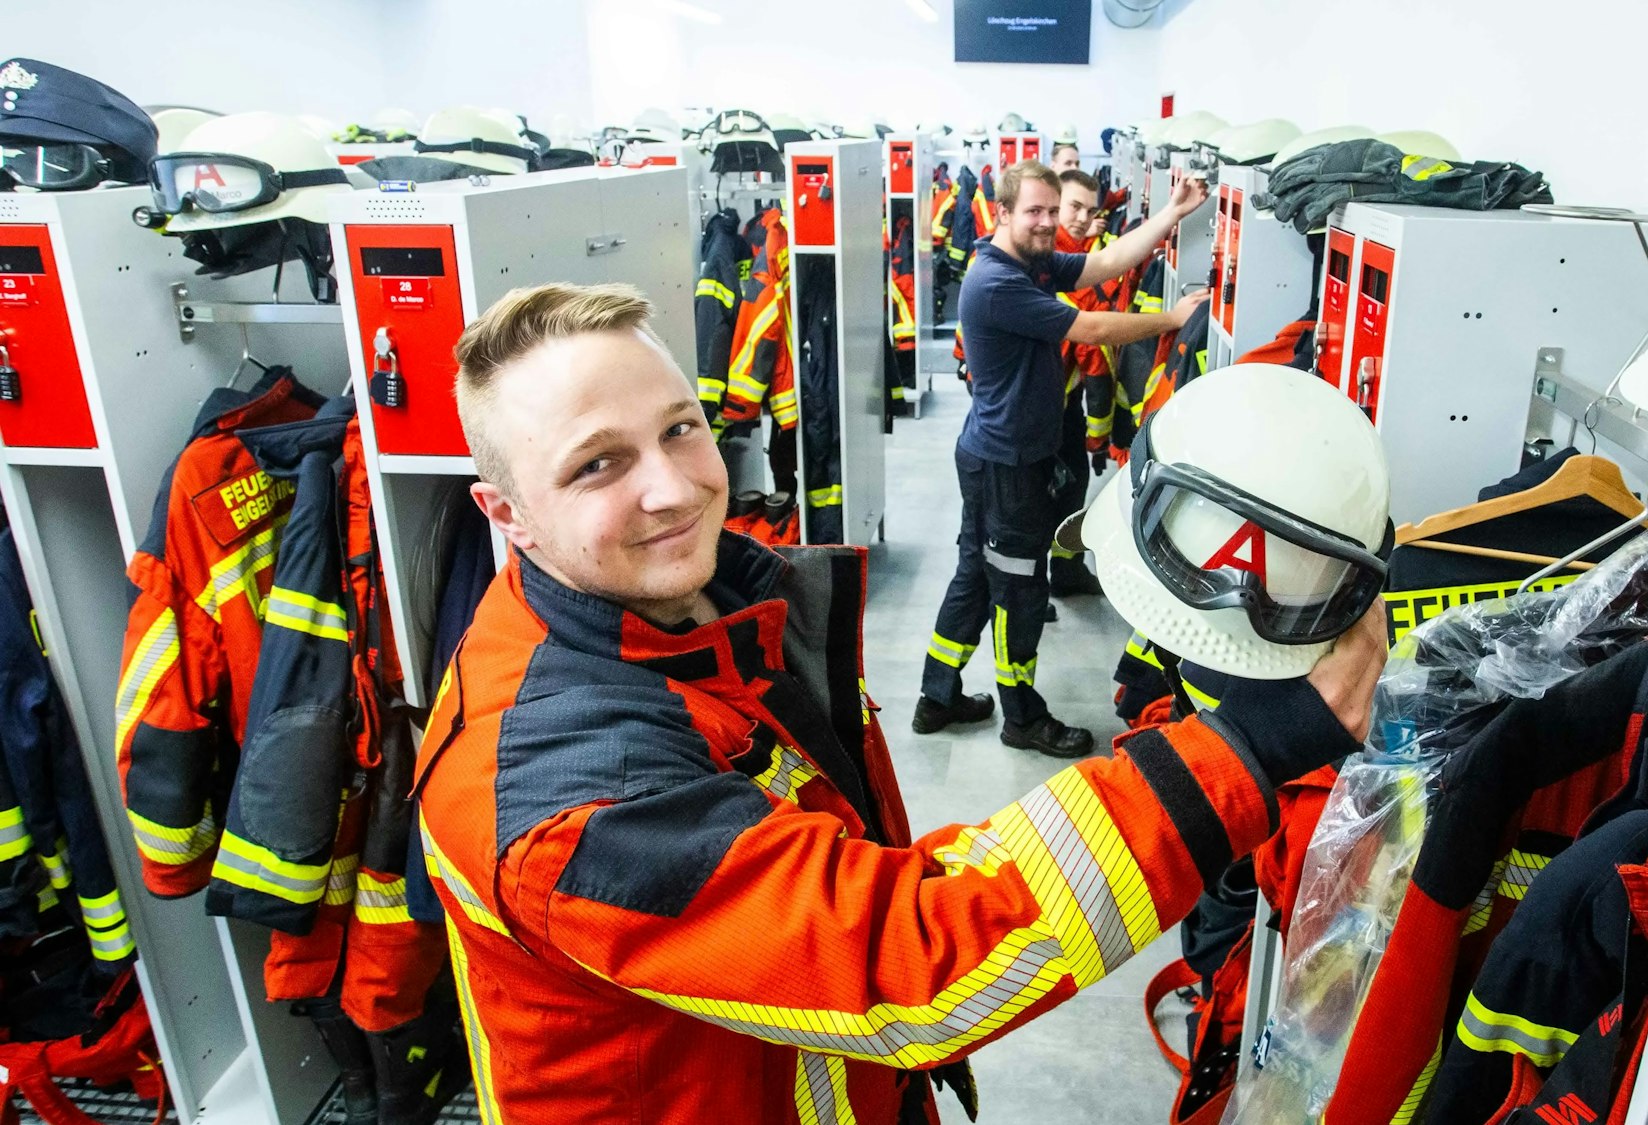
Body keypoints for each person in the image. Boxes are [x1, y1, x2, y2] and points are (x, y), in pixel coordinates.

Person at [412, 280, 1389, 1124]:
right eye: (597, 464)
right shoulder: (563, 785)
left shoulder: (709, 619)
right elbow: (897, 954)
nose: (672, 487)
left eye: (679, 428)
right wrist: (1247, 748)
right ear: (507, 515)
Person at [915, 160, 1209, 757]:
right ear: (1003, 213)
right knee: (1019, 588)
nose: (1048, 222)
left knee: (976, 573)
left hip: (997, 456)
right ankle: (1022, 716)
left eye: (1053, 210)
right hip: (1006, 465)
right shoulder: (996, 282)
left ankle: (937, 695)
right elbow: (1090, 328)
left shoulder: (1032, 262)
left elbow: (1105, 263)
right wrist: (1174, 319)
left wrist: (1173, 213)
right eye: (1035, 211)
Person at [1047, 169, 1120, 597]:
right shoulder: (1057, 264)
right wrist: (1100, 437)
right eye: (1073, 207)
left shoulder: (1072, 255)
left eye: (1090, 211)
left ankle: (1064, 572)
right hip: (1042, 409)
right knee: (1051, 496)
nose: (1081, 218)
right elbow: (1096, 357)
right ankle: (1043, 582)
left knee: (1066, 491)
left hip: (1060, 402)